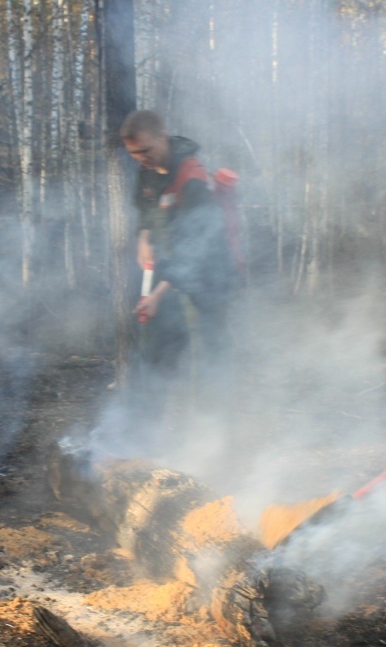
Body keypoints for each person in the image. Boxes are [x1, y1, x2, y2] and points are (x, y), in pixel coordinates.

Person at [120, 110, 236, 443]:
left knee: (205, 356)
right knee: (162, 351)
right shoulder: (147, 171)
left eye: (145, 150)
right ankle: (158, 432)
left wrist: (158, 293)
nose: (141, 159)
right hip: (171, 274)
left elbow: (198, 246)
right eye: (134, 154)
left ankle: (213, 437)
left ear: (162, 136)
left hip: (207, 279)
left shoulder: (191, 177)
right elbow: (145, 210)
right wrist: (143, 239)